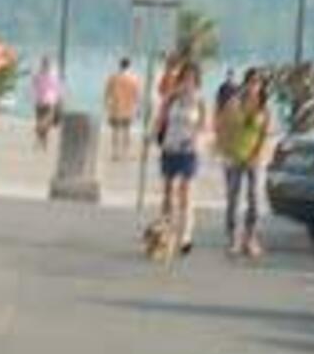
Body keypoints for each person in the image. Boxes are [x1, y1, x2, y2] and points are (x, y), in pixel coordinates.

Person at [148, 61, 207, 259]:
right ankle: (167, 230)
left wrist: (194, 139)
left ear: (197, 81)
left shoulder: (200, 100)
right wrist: (154, 135)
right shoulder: (171, 98)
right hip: (170, 147)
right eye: (185, 77)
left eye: (192, 78)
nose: (188, 82)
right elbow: (160, 119)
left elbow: (203, 125)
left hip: (188, 150)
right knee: (168, 191)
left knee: (186, 192)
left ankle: (186, 236)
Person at [220, 74, 272, 258]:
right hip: (234, 157)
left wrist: (256, 154)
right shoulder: (234, 105)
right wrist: (225, 150)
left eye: (257, 83)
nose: (254, 86)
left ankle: (250, 238)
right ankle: (233, 238)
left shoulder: (264, 108)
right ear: (245, 83)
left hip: (254, 160)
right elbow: (223, 127)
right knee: (233, 199)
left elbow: (265, 134)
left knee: (254, 199)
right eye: (251, 82)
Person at [103, 58, 143, 161]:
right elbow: (137, 95)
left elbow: (107, 93)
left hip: (116, 108)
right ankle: (126, 153)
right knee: (127, 131)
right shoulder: (134, 79)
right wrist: (138, 109)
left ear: (120, 65)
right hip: (129, 108)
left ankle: (115, 153)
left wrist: (106, 106)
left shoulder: (113, 77)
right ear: (129, 66)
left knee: (115, 131)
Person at [32, 56, 64, 147]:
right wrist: (60, 98)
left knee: (41, 119)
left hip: (40, 101)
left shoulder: (38, 74)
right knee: (46, 120)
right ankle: (41, 136)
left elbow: (34, 85)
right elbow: (58, 87)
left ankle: (42, 140)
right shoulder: (53, 74)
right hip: (48, 101)